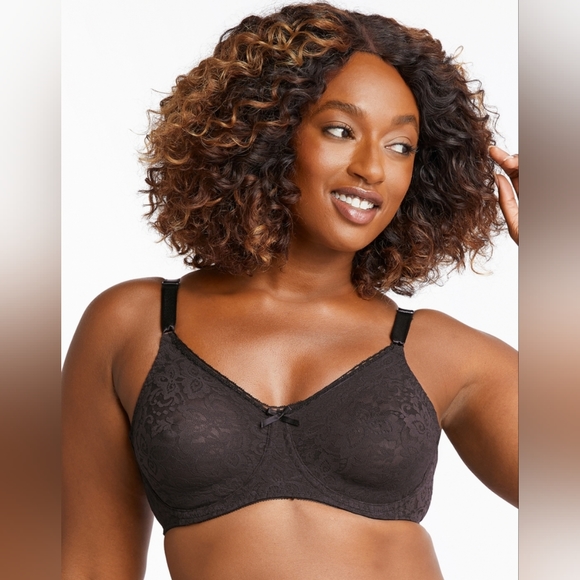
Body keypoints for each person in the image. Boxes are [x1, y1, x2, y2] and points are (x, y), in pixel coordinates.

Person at [62, 3, 518, 579]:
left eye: (400, 146)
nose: (373, 169)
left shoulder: (439, 352)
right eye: (340, 131)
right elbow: (89, 566)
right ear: (268, 134)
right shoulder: (134, 324)